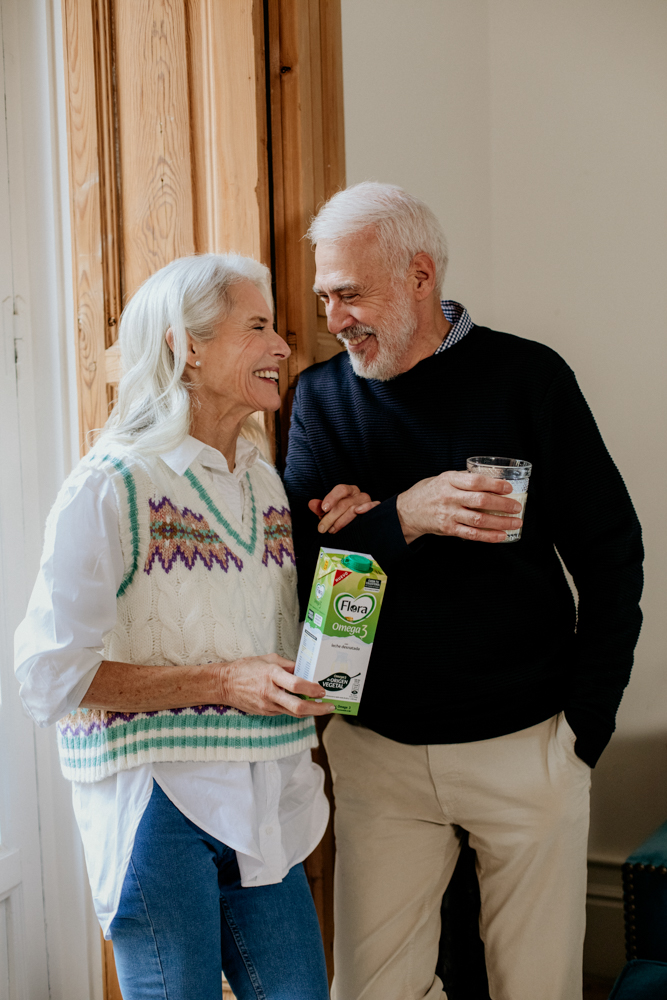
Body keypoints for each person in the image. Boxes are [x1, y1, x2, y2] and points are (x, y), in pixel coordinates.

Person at [283, 182, 644, 1000]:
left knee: (536, 987)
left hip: (526, 745)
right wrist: (404, 517)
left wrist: (583, 728)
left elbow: (611, 555)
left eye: (349, 293)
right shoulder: (320, 397)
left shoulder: (529, 378)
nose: (333, 318)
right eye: (323, 298)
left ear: (418, 277)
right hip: (377, 753)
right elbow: (308, 574)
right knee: (372, 990)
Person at [15, 253, 370, 1000]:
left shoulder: (262, 477)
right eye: (259, 326)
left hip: (265, 794)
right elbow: (48, 679)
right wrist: (222, 682)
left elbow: (253, 628)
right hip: (157, 809)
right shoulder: (110, 485)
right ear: (185, 345)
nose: (283, 347)